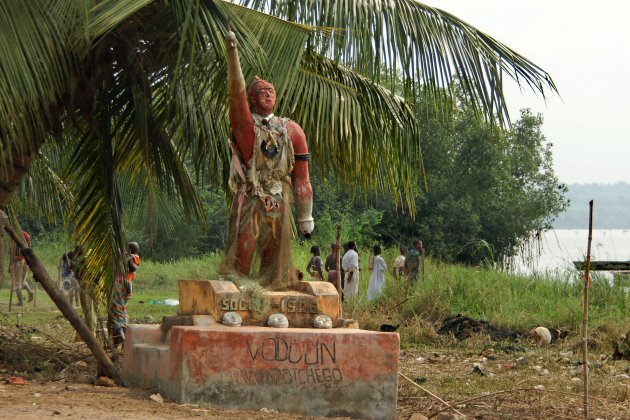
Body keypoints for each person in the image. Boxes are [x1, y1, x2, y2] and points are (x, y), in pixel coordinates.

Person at [221, 29, 314, 290]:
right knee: (245, 246)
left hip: (279, 196)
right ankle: (239, 286)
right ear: (252, 99)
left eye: (271, 90)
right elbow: (236, 94)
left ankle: (272, 289)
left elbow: (302, 177)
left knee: (274, 253)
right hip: (251, 192)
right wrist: (232, 54)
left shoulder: (292, 130)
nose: (267, 94)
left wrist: (306, 218)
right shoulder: (246, 127)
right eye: (261, 91)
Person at [109, 242, 140, 348]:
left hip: (121, 285)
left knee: (118, 314)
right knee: (121, 312)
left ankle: (123, 340)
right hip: (124, 286)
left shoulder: (131, 257)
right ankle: (118, 344)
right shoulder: (127, 256)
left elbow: (132, 268)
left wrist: (126, 258)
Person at [9, 230, 33, 306]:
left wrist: (11, 262)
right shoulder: (27, 235)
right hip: (26, 261)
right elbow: (29, 249)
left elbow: (13, 250)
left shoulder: (15, 235)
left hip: (18, 261)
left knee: (17, 282)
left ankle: (21, 301)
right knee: (23, 281)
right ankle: (29, 291)